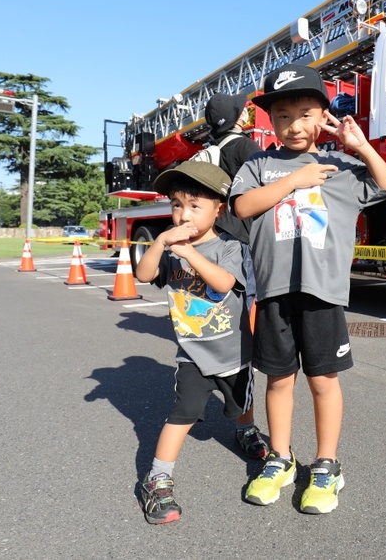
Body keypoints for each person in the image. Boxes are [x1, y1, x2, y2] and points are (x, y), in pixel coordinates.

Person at [231, 63, 386, 514]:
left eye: (306, 113)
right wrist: (291, 181)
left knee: (323, 379)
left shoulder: (341, 166)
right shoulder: (258, 165)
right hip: (273, 292)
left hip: (323, 292)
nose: (294, 125)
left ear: (324, 114)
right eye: (282, 116)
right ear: (270, 121)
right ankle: (280, 459)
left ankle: (327, 465)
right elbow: (244, 206)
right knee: (278, 378)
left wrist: (361, 146)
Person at [133, 160, 269, 525]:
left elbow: (224, 283)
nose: (184, 214)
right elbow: (144, 275)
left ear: (217, 209)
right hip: (192, 353)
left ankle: (245, 430)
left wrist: (189, 253)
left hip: (235, 350)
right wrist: (161, 242)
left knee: (241, 401)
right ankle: (158, 478)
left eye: (195, 205)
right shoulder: (170, 246)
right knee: (183, 412)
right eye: (177, 205)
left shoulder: (230, 247)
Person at [203, 93, 261, 244]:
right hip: (242, 231)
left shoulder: (213, 147)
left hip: (218, 225)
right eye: (242, 109)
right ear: (237, 117)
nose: (245, 111)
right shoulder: (245, 146)